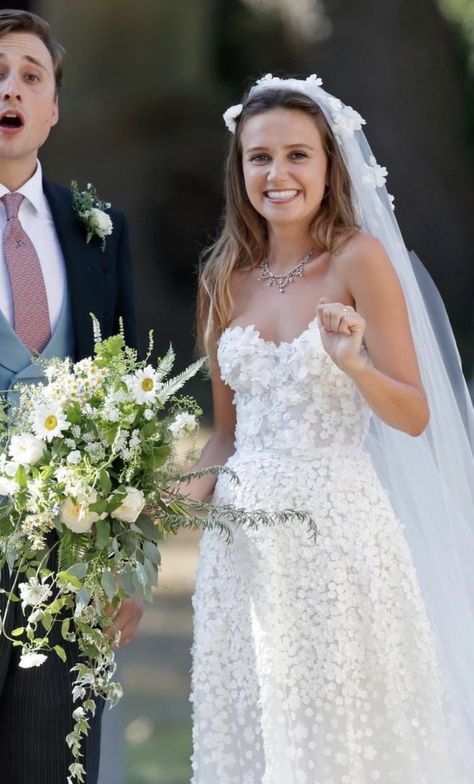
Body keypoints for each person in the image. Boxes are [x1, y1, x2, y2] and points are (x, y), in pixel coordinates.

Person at [188, 74, 474, 782]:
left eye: (297, 155)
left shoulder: (359, 260)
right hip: (243, 551)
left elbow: (413, 413)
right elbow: (224, 439)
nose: (277, 174)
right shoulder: (223, 278)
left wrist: (355, 365)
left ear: (327, 166)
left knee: (343, 738)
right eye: (260, 158)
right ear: (240, 170)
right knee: (252, 735)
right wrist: (145, 513)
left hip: (338, 538)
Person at [0, 10, 143, 783]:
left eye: (30, 74)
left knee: (49, 761)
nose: (10, 88)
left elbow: (124, 401)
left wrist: (116, 565)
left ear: (53, 107)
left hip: (66, 547)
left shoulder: (101, 231)